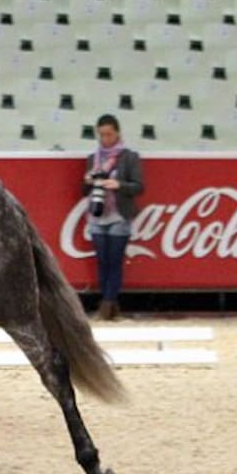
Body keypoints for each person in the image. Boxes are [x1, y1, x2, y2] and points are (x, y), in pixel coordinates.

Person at [82, 114, 144, 321]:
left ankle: (108, 304)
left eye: (109, 134)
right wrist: (89, 180)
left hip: (119, 214)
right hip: (97, 214)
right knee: (102, 260)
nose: (106, 138)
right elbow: (83, 190)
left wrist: (119, 185)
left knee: (114, 261)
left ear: (117, 132)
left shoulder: (129, 157)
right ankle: (108, 304)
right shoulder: (93, 158)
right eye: (102, 135)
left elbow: (139, 186)